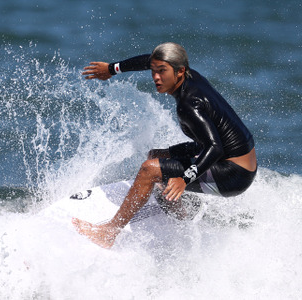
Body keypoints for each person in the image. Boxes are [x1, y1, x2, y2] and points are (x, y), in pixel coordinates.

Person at [72, 42, 257, 249]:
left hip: (233, 174)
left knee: (148, 170)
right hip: (233, 159)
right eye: (154, 71)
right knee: (155, 157)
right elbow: (149, 60)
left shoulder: (189, 104)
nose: (156, 78)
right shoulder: (189, 76)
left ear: (179, 72)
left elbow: (215, 148)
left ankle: (109, 232)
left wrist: (185, 179)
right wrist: (112, 69)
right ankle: (183, 212)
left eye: (162, 72)